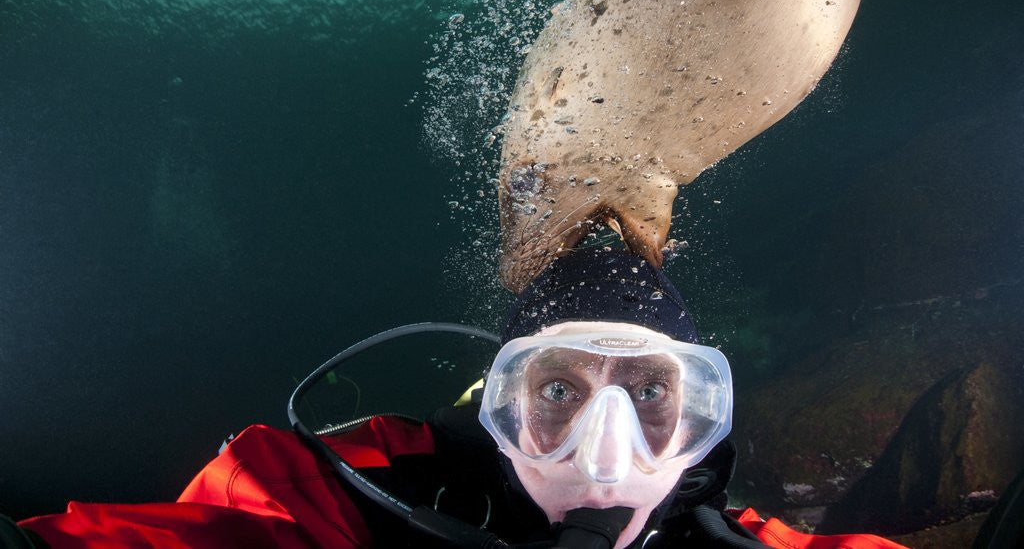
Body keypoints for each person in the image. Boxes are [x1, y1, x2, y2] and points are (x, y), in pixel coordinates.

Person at [5, 249, 910, 548]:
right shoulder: (374, 484)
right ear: (503, 401)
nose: (606, 449)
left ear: (700, 416)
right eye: (559, 387)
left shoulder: (737, 539)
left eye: (649, 392)